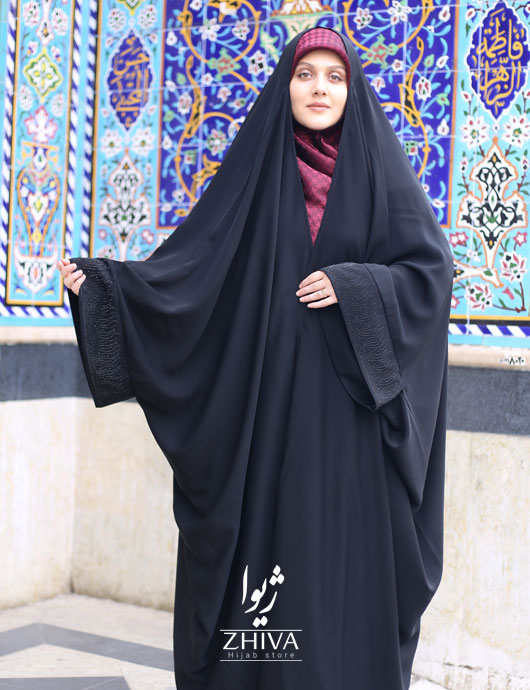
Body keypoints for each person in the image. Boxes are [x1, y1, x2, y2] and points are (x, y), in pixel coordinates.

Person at [57, 26, 454, 690]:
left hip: (349, 429)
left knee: (336, 571)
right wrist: (106, 290)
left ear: (352, 90)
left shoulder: (380, 175)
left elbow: (430, 276)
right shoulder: (256, 173)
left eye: (335, 77)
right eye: (306, 75)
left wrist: (358, 287)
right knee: (270, 566)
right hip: (266, 417)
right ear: (285, 86)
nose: (320, 88)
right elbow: (191, 271)